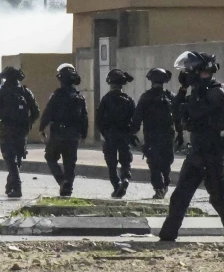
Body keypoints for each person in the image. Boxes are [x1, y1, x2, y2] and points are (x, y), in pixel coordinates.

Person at [159, 50, 224, 243]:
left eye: (189, 72)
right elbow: (176, 111)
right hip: (196, 154)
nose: (187, 75)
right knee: (179, 197)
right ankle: (168, 236)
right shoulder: (198, 91)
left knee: (219, 199)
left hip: (212, 155)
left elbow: (194, 112)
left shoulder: (216, 92)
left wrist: (187, 102)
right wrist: (183, 89)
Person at [0, 66, 39, 198]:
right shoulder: (26, 92)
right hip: (22, 129)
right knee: (17, 158)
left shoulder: (2, 92)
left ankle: (16, 186)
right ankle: (10, 185)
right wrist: (28, 124)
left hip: (7, 128)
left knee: (9, 158)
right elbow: (36, 112)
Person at [131, 68, 183, 199]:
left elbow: (137, 118)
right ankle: (164, 185)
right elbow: (177, 117)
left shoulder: (146, 97)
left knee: (154, 163)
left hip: (152, 136)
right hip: (167, 136)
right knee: (166, 162)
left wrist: (132, 134)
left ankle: (159, 187)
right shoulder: (170, 97)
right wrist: (180, 133)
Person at [39, 63, 88, 197]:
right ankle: (68, 189)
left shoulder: (57, 95)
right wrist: (84, 134)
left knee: (50, 156)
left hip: (58, 133)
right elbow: (84, 117)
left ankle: (62, 181)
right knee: (70, 163)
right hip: (73, 135)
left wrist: (41, 128)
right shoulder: (79, 97)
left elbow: (48, 113)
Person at [96, 69, 137, 198]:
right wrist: (131, 133)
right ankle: (125, 178)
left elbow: (99, 119)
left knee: (111, 164)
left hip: (110, 135)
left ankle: (117, 185)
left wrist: (105, 133)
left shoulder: (106, 99)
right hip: (124, 134)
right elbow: (134, 118)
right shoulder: (128, 99)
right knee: (125, 161)